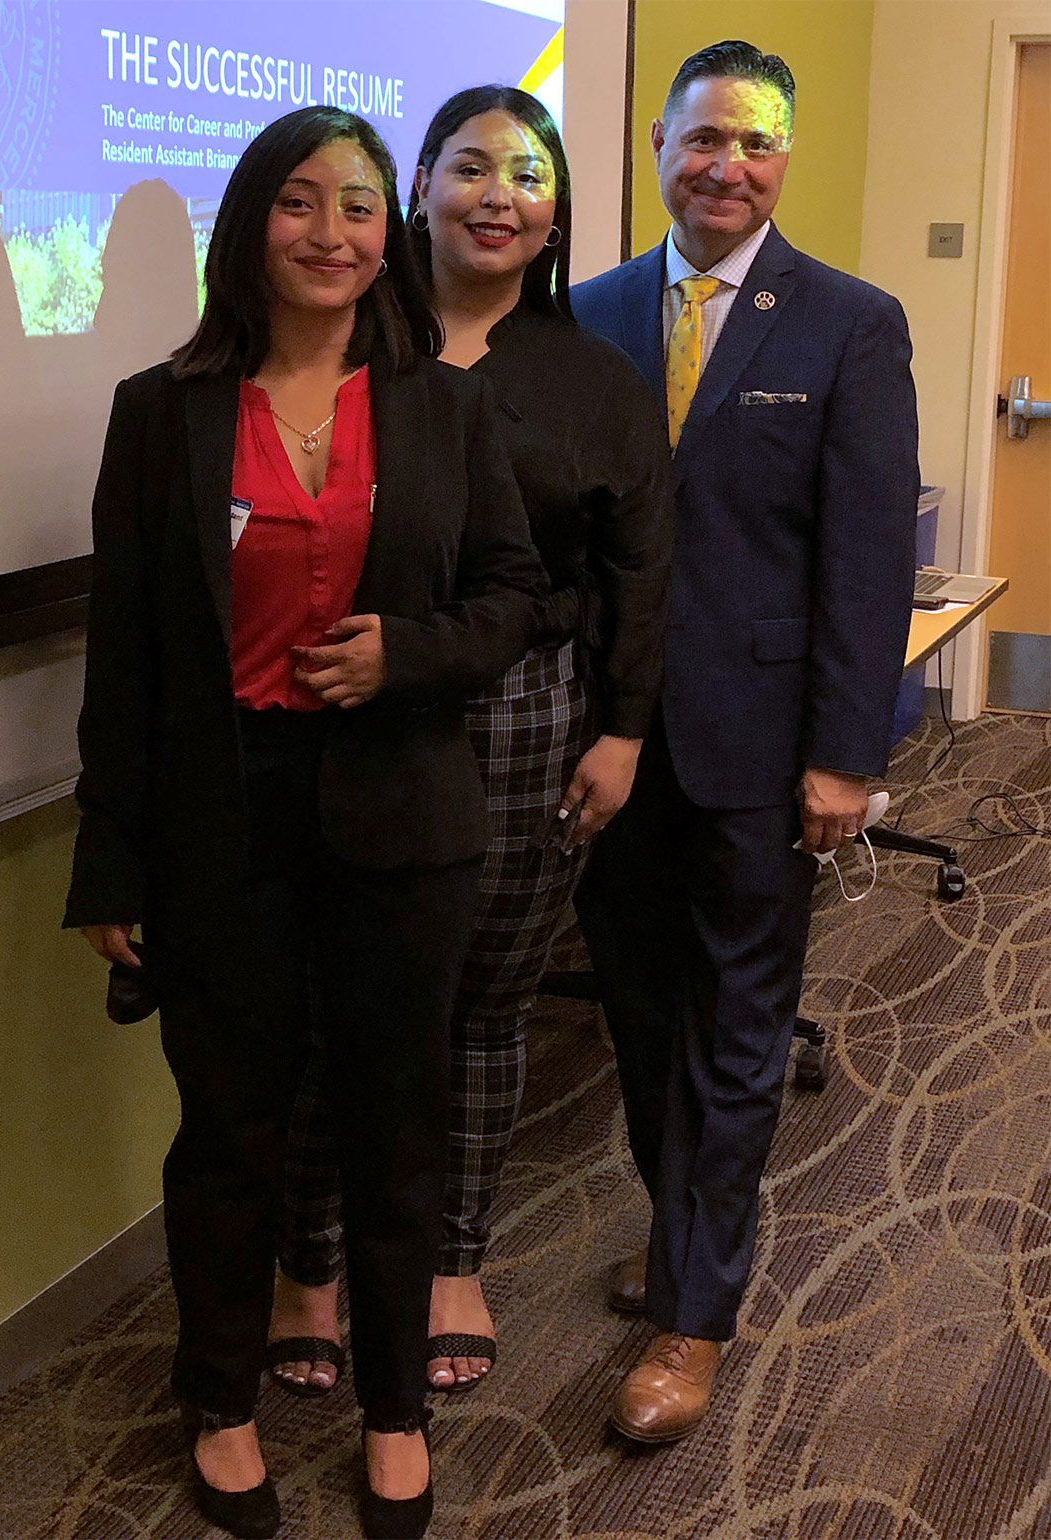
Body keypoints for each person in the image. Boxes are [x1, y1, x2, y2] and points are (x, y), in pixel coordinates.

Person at [64, 105, 547, 1540]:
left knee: (396, 1133)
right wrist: (109, 852)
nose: (328, 233)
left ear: (381, 230)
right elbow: (126, 655)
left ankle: (393, 1411)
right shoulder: (162, 412)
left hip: (402, 820)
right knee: (228, 1136)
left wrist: (412, 652)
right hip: (224, 825)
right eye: (297, 201)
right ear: (250, 224)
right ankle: (218, 1404)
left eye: (354, 204)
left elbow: (520, 599)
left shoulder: (443, 402)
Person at [267, 86, 673, 1398]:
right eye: (467, 165)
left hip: (526, 719)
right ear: (419, 192)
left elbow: (638, 570)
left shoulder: (595, 378)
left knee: (484, 1011)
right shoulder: (334, 338)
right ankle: (309, 1265)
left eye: (529, 171)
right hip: (350, 709)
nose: (498, 192)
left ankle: (452, 1259)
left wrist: (620, 730)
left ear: (554, 210)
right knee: (336, 1005)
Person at [570, 40, 919, 1443]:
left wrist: (846, 752)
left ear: (785, 160)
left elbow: (863, 557)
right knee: (643, 1019)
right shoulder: (584, 314)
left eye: (756, 143)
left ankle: (694, 1319)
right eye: (704, 137)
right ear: (657, 142)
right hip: (607, 751)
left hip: (763, 749)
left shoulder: (847, 321)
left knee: (737, 1031)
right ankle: (685, 1245)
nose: (726, 165)